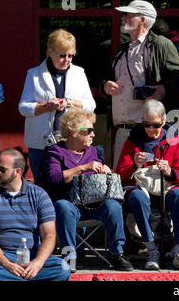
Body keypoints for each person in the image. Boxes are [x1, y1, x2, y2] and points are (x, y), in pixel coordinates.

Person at [101, 0, 179, 170]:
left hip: (147, 132)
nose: (122, 18)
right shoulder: (122, 49)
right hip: (122, 130)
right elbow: (112, 81)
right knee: (123, 183)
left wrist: (165, 89)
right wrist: (105, 87)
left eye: (127, 14)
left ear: (142, 19)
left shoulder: (160, 44)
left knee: (147, 185)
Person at [43, 108, 133, 272]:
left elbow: (103, 180)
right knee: (62, 207)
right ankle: (69, 256)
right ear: (73, 132)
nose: (93, 134)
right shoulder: (55, 152)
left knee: (113, 206)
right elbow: (53, 179)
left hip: (96, 203)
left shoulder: (93, 152)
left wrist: (107, 171)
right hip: (70, 204)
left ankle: (117, 253)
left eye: (93, 130)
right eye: (88, 130)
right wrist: (82, 168)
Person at [115, 99, 179, 271]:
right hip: (141, 186)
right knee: (136, 196)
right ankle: (151, 249)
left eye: (156, 125)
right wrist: (134, 165)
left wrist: (171, 172)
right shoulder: (132, 141)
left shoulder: (176, 140)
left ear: (164, 120)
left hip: (167, 185)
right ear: (141, 120)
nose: (151, 129)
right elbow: (120, 177)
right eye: (147, 124)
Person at [18, 29, 96, 183]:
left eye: (70, 55)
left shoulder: (79, 73)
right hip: (40, 143)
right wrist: (46, 106)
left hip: (71, 143)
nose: (67, 60)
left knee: (69, 186)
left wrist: (70, 102)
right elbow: (23, 107)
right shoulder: (34, 74)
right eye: (62, 55)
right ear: (50, 52)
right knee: (42, 185)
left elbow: (91, 104)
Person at [0, 148, 70, 281]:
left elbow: (49, 235)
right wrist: (6, 264)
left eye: (2, 169)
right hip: (1, 256)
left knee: (62, 269)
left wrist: (37, 263)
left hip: (32, 255)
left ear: (17, 171)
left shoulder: (39, 195)